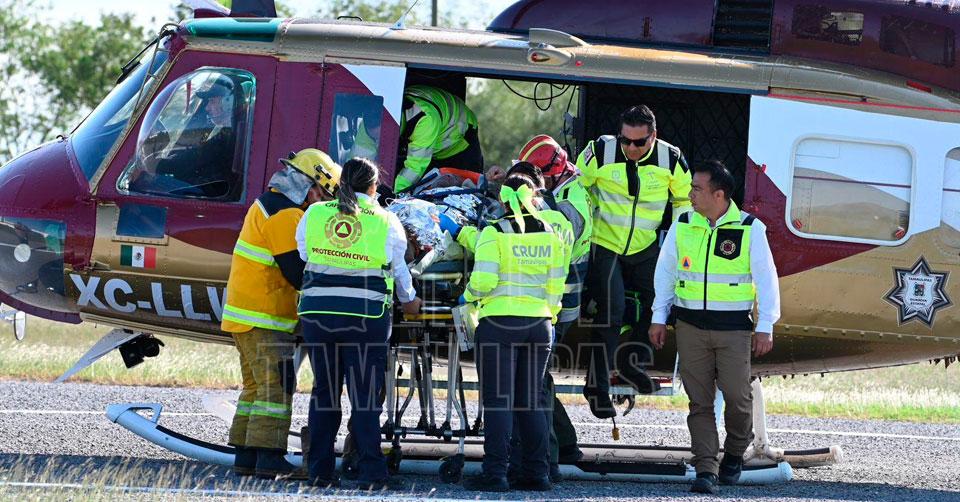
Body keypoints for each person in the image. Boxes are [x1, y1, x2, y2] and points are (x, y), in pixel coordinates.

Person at [648, 160, 779, 494]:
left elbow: (766, 279)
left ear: (719, 194)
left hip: (733, 330)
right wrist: (658, 317)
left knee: (738, 398)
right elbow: (666, 273)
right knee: (700, 402)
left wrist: (766, 325)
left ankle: (734, 451)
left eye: (696, 189)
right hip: (690, 327)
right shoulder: (682, 224)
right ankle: (706, 468)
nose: (690, 194)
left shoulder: (750, 228)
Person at [296, 157, 423, 490]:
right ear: (374, 186)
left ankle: (320, 472)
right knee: (364, 396)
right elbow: (398, 269)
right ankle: (371, 473)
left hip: (319, 316)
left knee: (325, 392)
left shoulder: (314, 213)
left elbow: (304, 254)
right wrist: (410, 301)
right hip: (366, 319)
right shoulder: (386, 220)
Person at [222, 148, 342, 479]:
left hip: (246, 315)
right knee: (278, 386)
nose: (322, 203)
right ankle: (269, 457)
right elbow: (296, 272)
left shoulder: (266, 204)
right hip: (265, 317)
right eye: (324, 195)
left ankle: (245, 456)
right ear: (310, 186)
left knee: (255, 388)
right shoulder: (286, 215)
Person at [576, 104, 693, 418]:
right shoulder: (599, 151)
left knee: (660, 303)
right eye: (625, 140)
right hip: (604, 244)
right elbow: (576, 188)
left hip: (646, 247)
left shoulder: (672, 158)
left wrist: (675, 246)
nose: (630, 148)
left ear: (653, 136)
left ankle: (632, 365)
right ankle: (596, 389)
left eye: (639, 142)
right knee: (611, 312)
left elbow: (684, 201)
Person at [460, 174, 572, 492]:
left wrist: (466, 297)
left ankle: (495, 473)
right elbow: (556, 286)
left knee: (499, 401)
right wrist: (548, 316)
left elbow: (484, 281)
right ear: (534, 197)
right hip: (540, 325)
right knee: (531, 401)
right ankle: (537, 473)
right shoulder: (552, 235)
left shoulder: (494, 233)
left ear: (503, 200)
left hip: (499, 324)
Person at [394, 85, 482, 193]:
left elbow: (415, 166)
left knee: (469, 191)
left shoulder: (425, 120)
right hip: (433, 136)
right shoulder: (391, 108)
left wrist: (395, 194)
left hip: (459, 143)